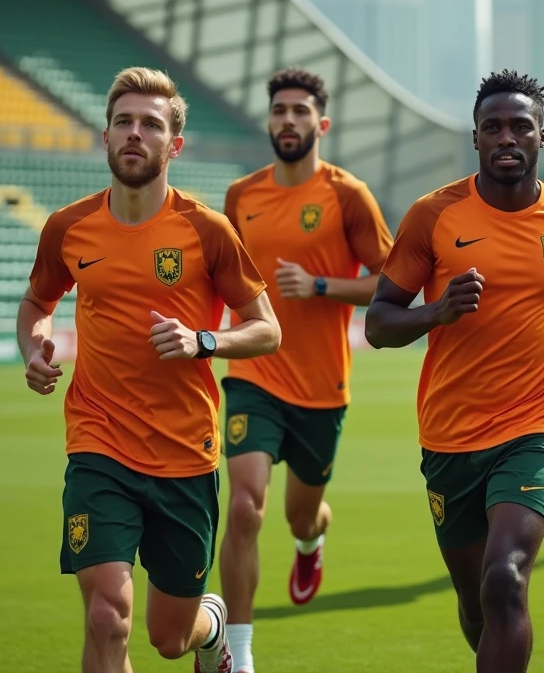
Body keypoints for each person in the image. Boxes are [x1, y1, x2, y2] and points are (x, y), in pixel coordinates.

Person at [19, 67, 282, 673]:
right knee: (107, 615)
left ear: (174, 144)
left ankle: (210, 628)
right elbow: (37, 303)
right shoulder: (68, 227)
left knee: (168, 637)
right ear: (105, 136)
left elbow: (267, 328)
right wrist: (34, 348)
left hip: (184, 453)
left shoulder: (206, 230)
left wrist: (203, 340)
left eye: (151, 124)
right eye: (123, 122)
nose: (135, 133)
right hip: (98, 443)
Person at [364, 70, 544, 673]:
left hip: (536, 424)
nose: (506, 137)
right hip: (450, 434)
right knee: (476, 604)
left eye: (519, 126)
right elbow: (380, 324)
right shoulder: (434, 216)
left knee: (505, 579)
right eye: (492, 127)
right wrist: (438, 310)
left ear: (542, 136)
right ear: (476, 139)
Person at [219, 68, 393, 673]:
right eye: (278, 111)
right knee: (244, 508)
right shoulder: (242, 196)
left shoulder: (348, 195)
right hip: (253, 376)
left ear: (321, 124)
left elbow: (392, 285)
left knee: (299, 512)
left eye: (299, 111)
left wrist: (323, 285)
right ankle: (238, 656)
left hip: (322, 388)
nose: (287, 121)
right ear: (269, 121)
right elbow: (224, 279)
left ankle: (311, 540)